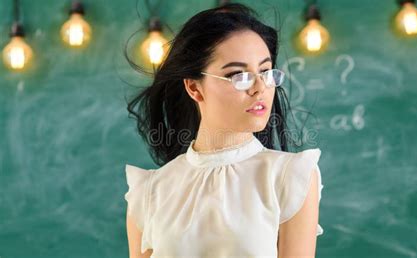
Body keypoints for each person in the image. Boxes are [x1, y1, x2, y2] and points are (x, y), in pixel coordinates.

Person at [123, 3, 324, 258]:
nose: (259, 88)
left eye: (265, 71)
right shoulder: (150, 192)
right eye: (239, 76)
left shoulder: (290, 177)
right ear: (195, 88)